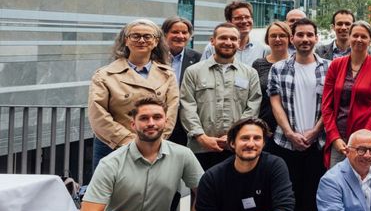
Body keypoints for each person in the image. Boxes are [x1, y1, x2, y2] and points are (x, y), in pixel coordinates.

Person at [267, 18, 329, 211]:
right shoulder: (279, 68)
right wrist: (290, 132)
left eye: (309, 35)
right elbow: (275, 102)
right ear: (293, 38)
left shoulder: (328, 67)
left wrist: (315, 131)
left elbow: (329, 104)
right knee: (291, 191)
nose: (305, 39)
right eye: (300, 35)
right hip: (286, 141)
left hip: (318, 140)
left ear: (316, 38)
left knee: (316, 190)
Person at [88, 19, 179, 172]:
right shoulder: (104, 75)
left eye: (147, 36)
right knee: (109, 194)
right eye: (135, 36)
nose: (141, 40)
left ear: (156, 41)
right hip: (113, 146)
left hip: (154, 145)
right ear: (126, 40)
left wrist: (154, 140)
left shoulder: (168, 75)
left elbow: (171, 111)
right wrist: (130, 142)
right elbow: (98, 115)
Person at [179, 22, 262, 170]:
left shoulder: (250, 73)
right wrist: (201, 136)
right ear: (213, 41)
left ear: (238, 42)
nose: (228, 42)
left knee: (234, 191)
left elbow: (253, 106)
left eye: (233, 39)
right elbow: (187, 106)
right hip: (201, 147)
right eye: (223, 38)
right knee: (201, 190)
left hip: (236, 147)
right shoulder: (193, 72)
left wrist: (234, 135)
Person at [321, 20, 371, 167]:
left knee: (364, 184)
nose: (359, 39)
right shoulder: (336, 65)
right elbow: (327, 106)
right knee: (337, 184)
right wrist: (334, 137)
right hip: (339, 139)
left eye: (364, 37)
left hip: (367, 140)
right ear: (350, 37)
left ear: (370, 40)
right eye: (355, 35)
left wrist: (362, 138)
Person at [162, 16, 200, 147]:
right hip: (160, 117)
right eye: (175, 32)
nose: (180, 36)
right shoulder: (154, 57)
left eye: (184, 32)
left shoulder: (197, 59)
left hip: (185, 121)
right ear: (165, 34)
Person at [251, 21, 291, 144]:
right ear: (267, 40)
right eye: (273, 36)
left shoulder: (296, 64)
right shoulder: (258, 64)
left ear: (290, 39)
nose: (277, 39)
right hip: (265, 127)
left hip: (290, 127)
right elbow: (253, 96)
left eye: (282, 35)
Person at [202, 0, 266, 64]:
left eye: (247, 17)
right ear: (229, 21)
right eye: (238, 18)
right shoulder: (212, 48)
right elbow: (202, 71)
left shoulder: (261, 48)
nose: (244, 21)